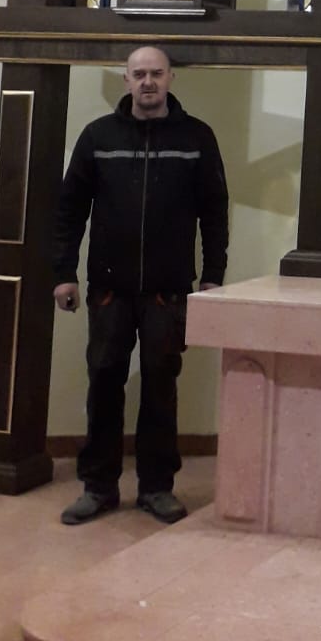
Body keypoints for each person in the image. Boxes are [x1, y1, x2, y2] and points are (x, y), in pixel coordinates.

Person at [52, 45, 228, 526]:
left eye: (156, 73)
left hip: (168, 291)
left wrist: (214, 276)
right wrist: (63, 273)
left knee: (160, 386)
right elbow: (70, 210)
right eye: (139, 74)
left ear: (170, 78)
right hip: (109, 289)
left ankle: (156, 488)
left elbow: (215, 213)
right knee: (104, 381)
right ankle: (98, 487)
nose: (148, 82)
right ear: (126, 80)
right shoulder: (98, 136)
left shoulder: (197, 137)